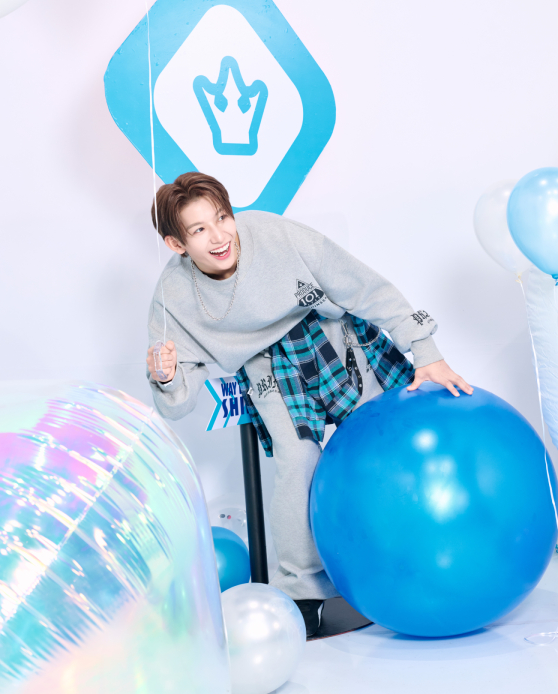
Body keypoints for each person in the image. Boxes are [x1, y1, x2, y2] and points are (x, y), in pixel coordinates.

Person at [146, 172, 472, 636]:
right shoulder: (172, 298)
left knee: (380, 445)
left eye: (222, 218)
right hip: (267, 366)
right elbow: (176, 404)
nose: (219, 236)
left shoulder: (277, 234)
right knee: (298, 462)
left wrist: (425, 349)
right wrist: (166, 376)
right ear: (177, 244)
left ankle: (412, 555)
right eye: (199, 230)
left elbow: (363, 286)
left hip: (332, 335)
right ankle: (302, 593)